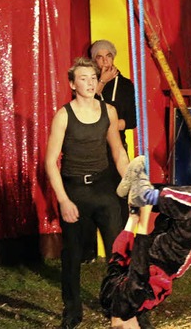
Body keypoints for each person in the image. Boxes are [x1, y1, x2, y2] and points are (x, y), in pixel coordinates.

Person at [45, 57, 130, 329]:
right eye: (83, 78)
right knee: (72, 255)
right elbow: (50, 162)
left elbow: (117, 151)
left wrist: (131, 180)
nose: (90, 82)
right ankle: (72, 311)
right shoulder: (63, 115)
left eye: (93, 77)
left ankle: (123, 309)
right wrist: (63, 199)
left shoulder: (109, 111)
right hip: (74, 191)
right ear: (72, 84)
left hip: (104, 188)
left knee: (119, 254)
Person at [100, 157, 191, 329]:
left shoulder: (130, 303)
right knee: (177, 208)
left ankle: (146, 194)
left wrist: (143, 220)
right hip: (156, 246)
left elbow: (139, 266)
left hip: (167, 257)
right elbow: (118, 257)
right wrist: (133, 216)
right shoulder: (107, 301)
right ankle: (143, 190)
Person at [92, 39, 137, 218]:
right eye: (99, 57)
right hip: (93, 150)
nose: (104, 61)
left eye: (108, 56)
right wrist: (101, 81)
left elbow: (132, 120)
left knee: (119, 198)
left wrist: (111, 125)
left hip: (116, 148)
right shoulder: (89, 83)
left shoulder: (125, 85)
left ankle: (122, 241)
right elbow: (84, 107)